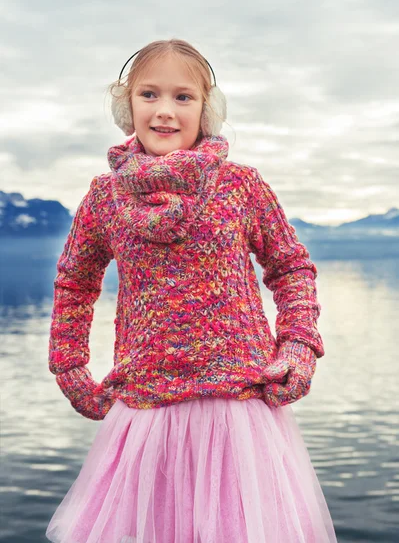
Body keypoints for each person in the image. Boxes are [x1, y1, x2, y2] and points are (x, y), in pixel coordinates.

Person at [45, 38, 338, 543]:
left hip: (241, 418)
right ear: (126, 106)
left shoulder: (241, 186)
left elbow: (291, 268)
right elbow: (75, 282)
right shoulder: (104, 197)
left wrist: (298, 344)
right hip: (146, 415)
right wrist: (68, 363)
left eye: (183, 97)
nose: (164, 111)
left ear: (207, 110)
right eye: (148, 95)